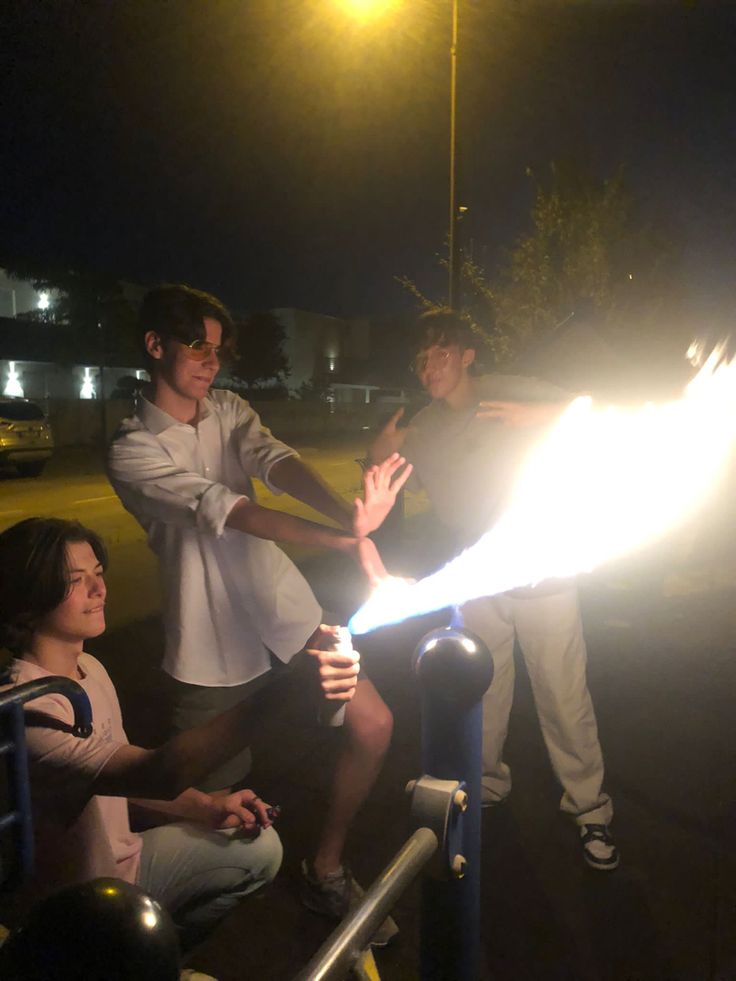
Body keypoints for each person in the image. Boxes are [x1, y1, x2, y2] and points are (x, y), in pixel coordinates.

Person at [107, 284, 408, 937]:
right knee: (201, 804)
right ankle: (171, 931)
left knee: (375, 723)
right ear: (155, 345)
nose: (210, 362)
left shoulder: (231, 409)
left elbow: (275, 462)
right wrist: (342, 538)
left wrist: (348, 516)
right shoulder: (132, 449)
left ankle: (325, 866)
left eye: (217, 350)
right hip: (208, 644)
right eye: (196, 346)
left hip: (285, 612)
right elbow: (226, 509)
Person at [0, 516, 345, 950]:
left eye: (99, 574)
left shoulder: (89, 668)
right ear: (29, 598)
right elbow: (153, 772)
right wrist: (289, 690)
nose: (98, 590)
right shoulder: (28, 707)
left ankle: (153, 954)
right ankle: (123, 956)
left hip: (124, 866)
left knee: (258, 848)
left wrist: (205, 807)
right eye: (75, 581)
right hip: (77, 907)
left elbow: (116, 775)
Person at [369, 308, 618, 871]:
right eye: (420, 358)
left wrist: (546, 413)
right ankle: (483, 783)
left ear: (466, 354)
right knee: (482, 689)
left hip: (543, 570)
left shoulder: (512, 392)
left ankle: (589, 808)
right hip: (476, 576)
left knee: (563, 694)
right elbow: (381, 471)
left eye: (439, 353)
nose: (428, 366)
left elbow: (599, 413)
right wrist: (378, 450)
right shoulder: (426, 424)